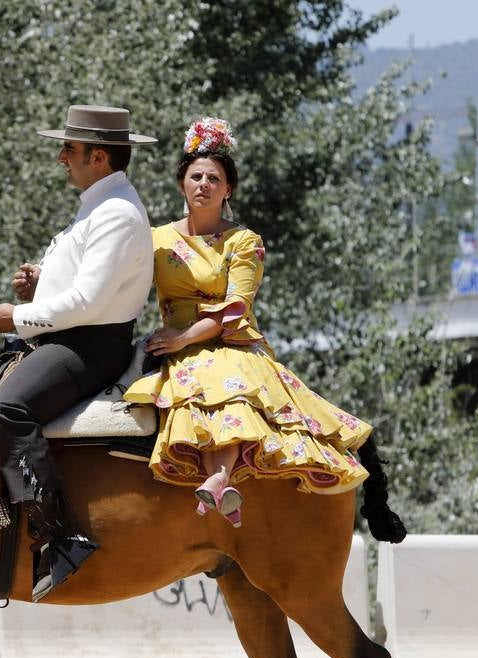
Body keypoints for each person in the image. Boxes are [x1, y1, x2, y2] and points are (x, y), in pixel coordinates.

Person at [123, 117, 372, 526]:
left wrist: (183, 338)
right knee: (194, 388)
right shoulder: (156, 239)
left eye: (214, 178)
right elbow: (113, 271)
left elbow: (234, 309)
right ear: (182, 183)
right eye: (196, 176)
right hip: (176, 342)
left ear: (228, 189)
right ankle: (217, 482)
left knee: (226, 381)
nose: (204, 184)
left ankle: (219, 477)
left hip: (230, 342)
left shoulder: (245, 241)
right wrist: (45, 280)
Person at [0, 104, 156, 600]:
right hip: (71, 336)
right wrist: (41, 284)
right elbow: (83, 284)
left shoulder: (117, 213)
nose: (61, 157)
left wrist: (14, 317)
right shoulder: (101, 204)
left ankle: (59, 536)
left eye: (70, 149)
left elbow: (89, 303)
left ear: (98, 157)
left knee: (7, 409)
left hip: (89, 345)